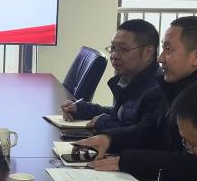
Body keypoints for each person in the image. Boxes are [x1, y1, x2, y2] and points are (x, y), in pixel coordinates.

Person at [80, 16, 197, 181]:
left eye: (168, 49)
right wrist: (109, 139)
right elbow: (152, 129)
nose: (160, 59)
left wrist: (128, 161)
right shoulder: (179, 81)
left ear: (196, 56)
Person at [59, 19, 164, 147]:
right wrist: (81, 108)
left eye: (123, 49)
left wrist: (104, 123)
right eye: (113, 48)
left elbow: (144, 135)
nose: (114, 55)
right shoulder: (130, 79)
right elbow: (120, 114)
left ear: (148, 52)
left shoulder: (157, 89)